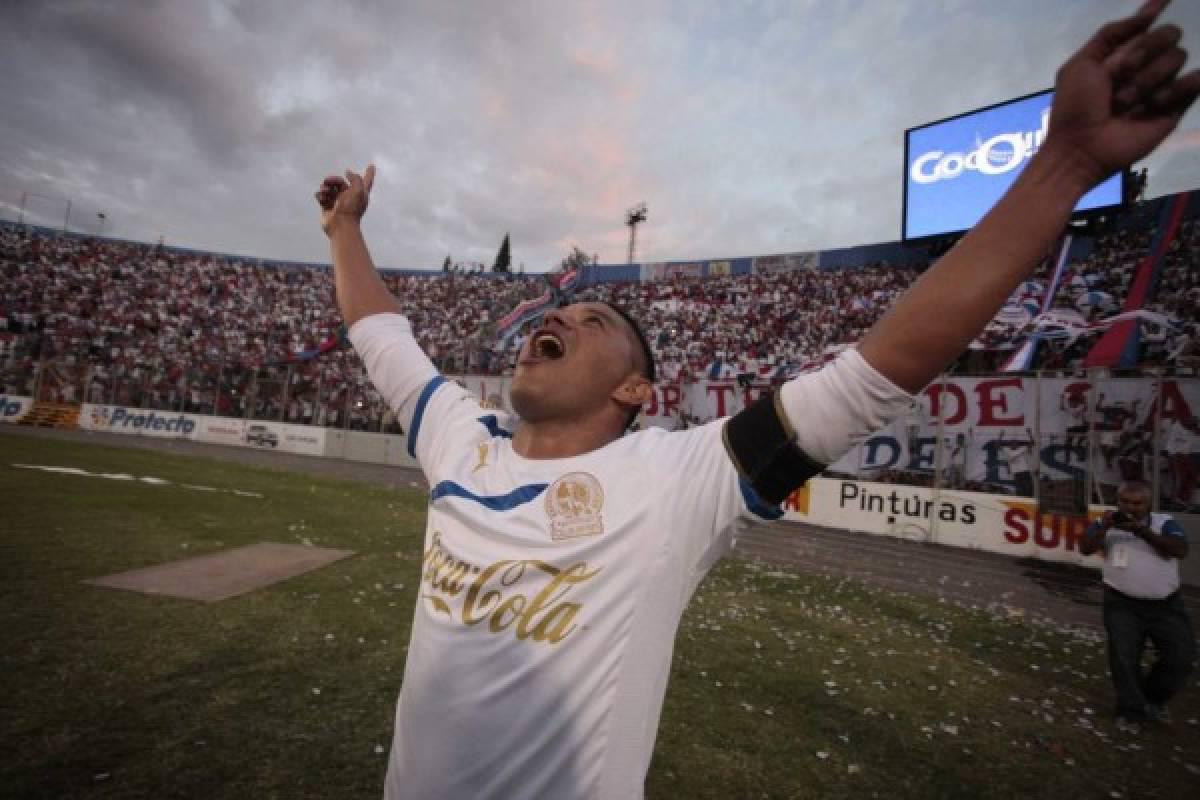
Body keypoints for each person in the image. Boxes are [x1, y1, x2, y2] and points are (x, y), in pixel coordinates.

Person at [315, 4, 1198, 797]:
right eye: (558, 311)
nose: (559, 316)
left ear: (636, 389)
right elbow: (382, 334)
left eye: (590, 319)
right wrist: (347, 228)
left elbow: (882, 365)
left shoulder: (678, 479)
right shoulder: (457, 443)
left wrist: (1067, 163)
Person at [1079, 480, 1195, 726]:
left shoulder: (1164, 523)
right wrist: (1104, 526)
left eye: (1138, 503)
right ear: (1117, 501)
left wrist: (1141, 531)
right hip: (1121, 602)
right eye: (1125, 502)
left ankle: (1152, 699)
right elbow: (1085, 548)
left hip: (1165, 605)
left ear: (1149, 504)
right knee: (1123, 657)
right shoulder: (1107, 522)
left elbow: (1180, 549)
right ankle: (1130, 711)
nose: (1131, 507)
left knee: (1181, 657)